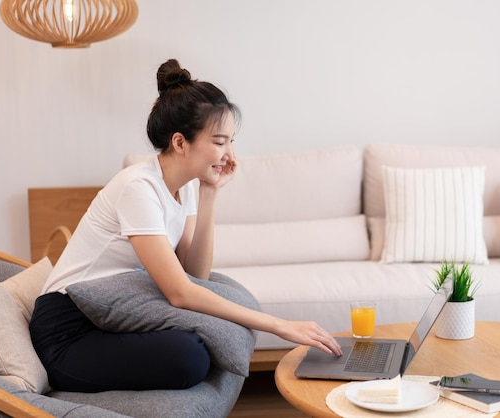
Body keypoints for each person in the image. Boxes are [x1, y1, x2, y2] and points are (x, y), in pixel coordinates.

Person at [29, 59, 342, 393]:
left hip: (113, 315)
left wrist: (209, 193)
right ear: (180, 142)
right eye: (220, 142)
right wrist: (282, 327)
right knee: (189, 358)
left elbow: (195, 274)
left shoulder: (189, 185)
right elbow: (180, 293)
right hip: (70, 329)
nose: (230, 154)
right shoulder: (138, 187)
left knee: (200, 346)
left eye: (232, 141)